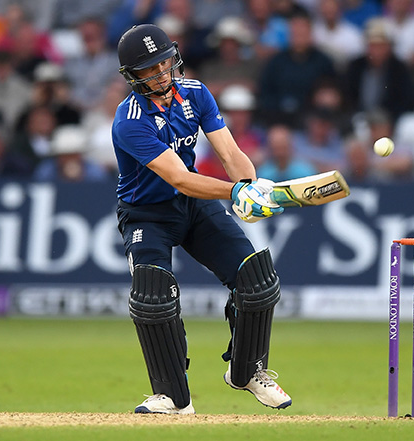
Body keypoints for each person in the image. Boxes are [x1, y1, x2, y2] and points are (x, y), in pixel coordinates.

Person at [112, 24, 290, 414]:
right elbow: (180, 176)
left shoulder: (195, 92)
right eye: (149, 70)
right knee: (153, 294)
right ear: (132, 76)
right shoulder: (129, 120)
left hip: (194, 207)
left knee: (256, 280)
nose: (161, 74)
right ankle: (173, 397)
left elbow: (229, 152)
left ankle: (247, 372)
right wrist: (234, 191)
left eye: (164, 64)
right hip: (148, 213)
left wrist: (249, 185)